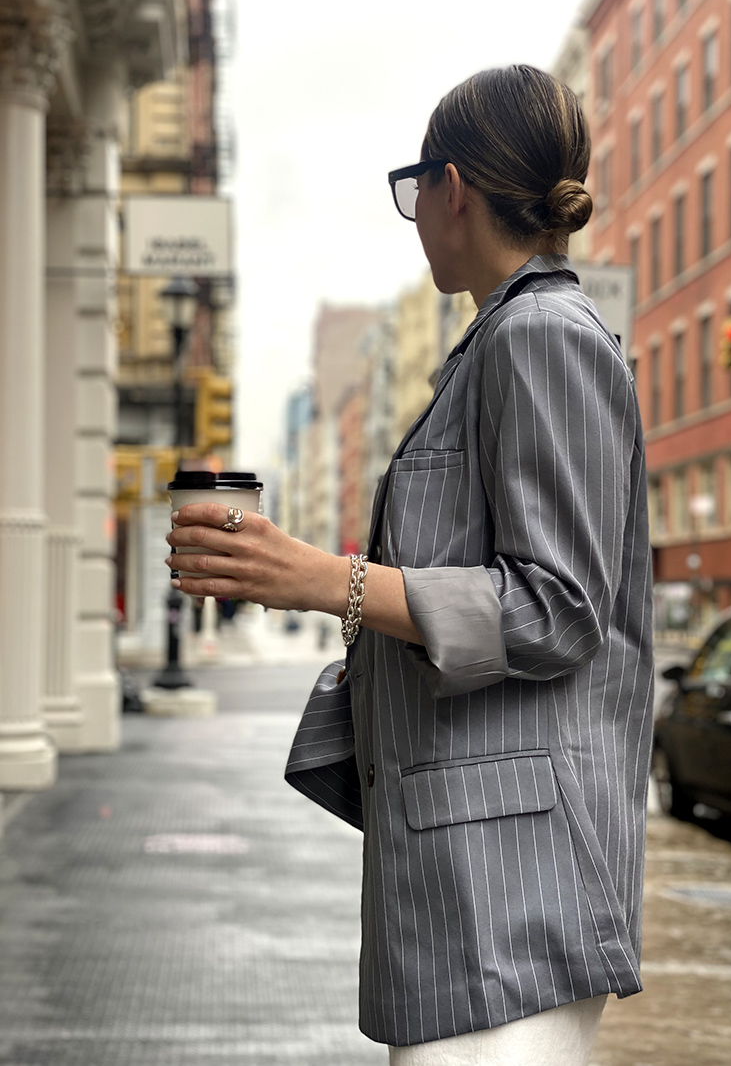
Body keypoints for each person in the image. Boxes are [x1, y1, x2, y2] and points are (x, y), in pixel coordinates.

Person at [165, 64, 654, 1066]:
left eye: (413, 191)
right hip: (475, 881)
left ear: (453, 187)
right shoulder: (496, 342)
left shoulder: (542, 338)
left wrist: (324, 578)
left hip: (514, 890)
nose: (415, 216)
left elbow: (558, 608)